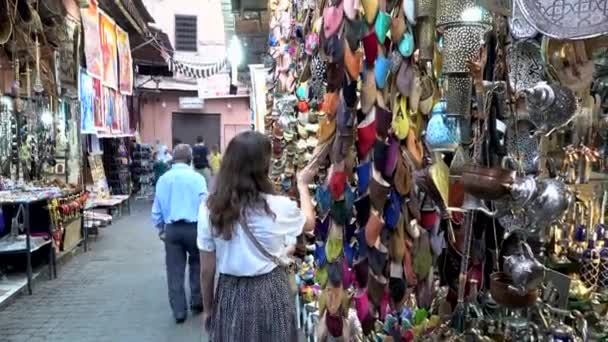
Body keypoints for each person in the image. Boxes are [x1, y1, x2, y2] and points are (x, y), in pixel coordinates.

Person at [197, 131, 315, 341]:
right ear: (263, 167)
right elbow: (309, 221)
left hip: (231, 294)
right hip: (271, 290)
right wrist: (303, 185)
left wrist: (208, 309)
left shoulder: (210, 208)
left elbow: (207, 270)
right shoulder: (277, 206)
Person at [151, 144, 208, 324]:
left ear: (173, 158)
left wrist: (161, 228)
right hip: (195, 229)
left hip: (172, 230)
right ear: (190, 159)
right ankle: (197, 301)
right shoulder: (197, 178)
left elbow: (156, 210)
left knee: (174, 270)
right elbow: (205, 205)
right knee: (197, 264)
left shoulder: (163, 179)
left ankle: (179, 311)